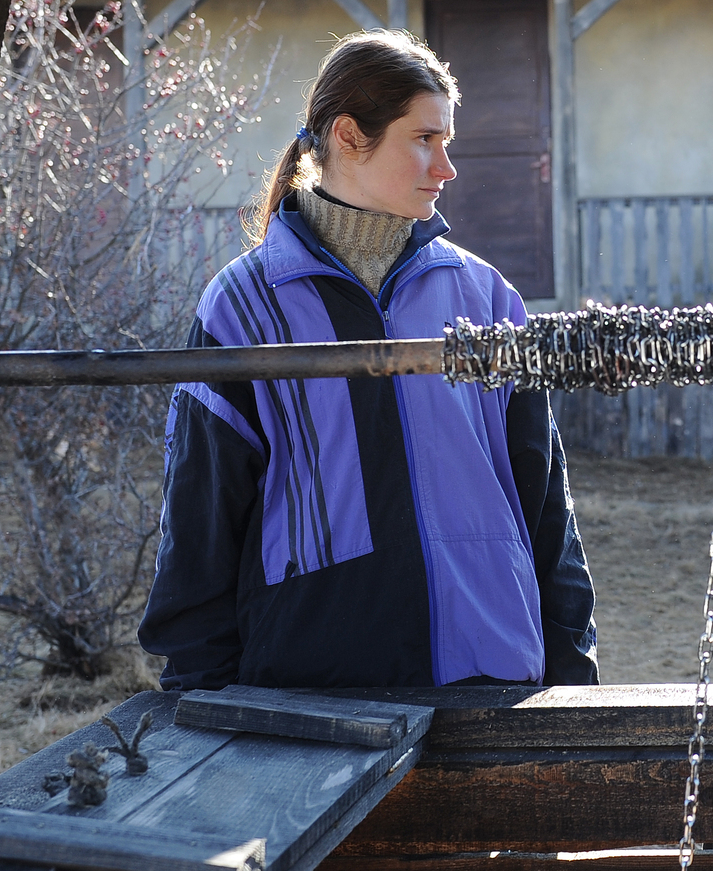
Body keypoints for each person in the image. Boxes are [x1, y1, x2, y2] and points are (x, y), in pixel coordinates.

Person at [140, 30, 598, 690]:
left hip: (494, 682)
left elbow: (546, 507)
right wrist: (202, 695)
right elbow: (201, 523)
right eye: (423, 139)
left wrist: (572, 672)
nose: (447, 167)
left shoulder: (487, 297)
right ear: (350, 135)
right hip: (315, 697)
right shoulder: (243, 308)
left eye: (448, 142)